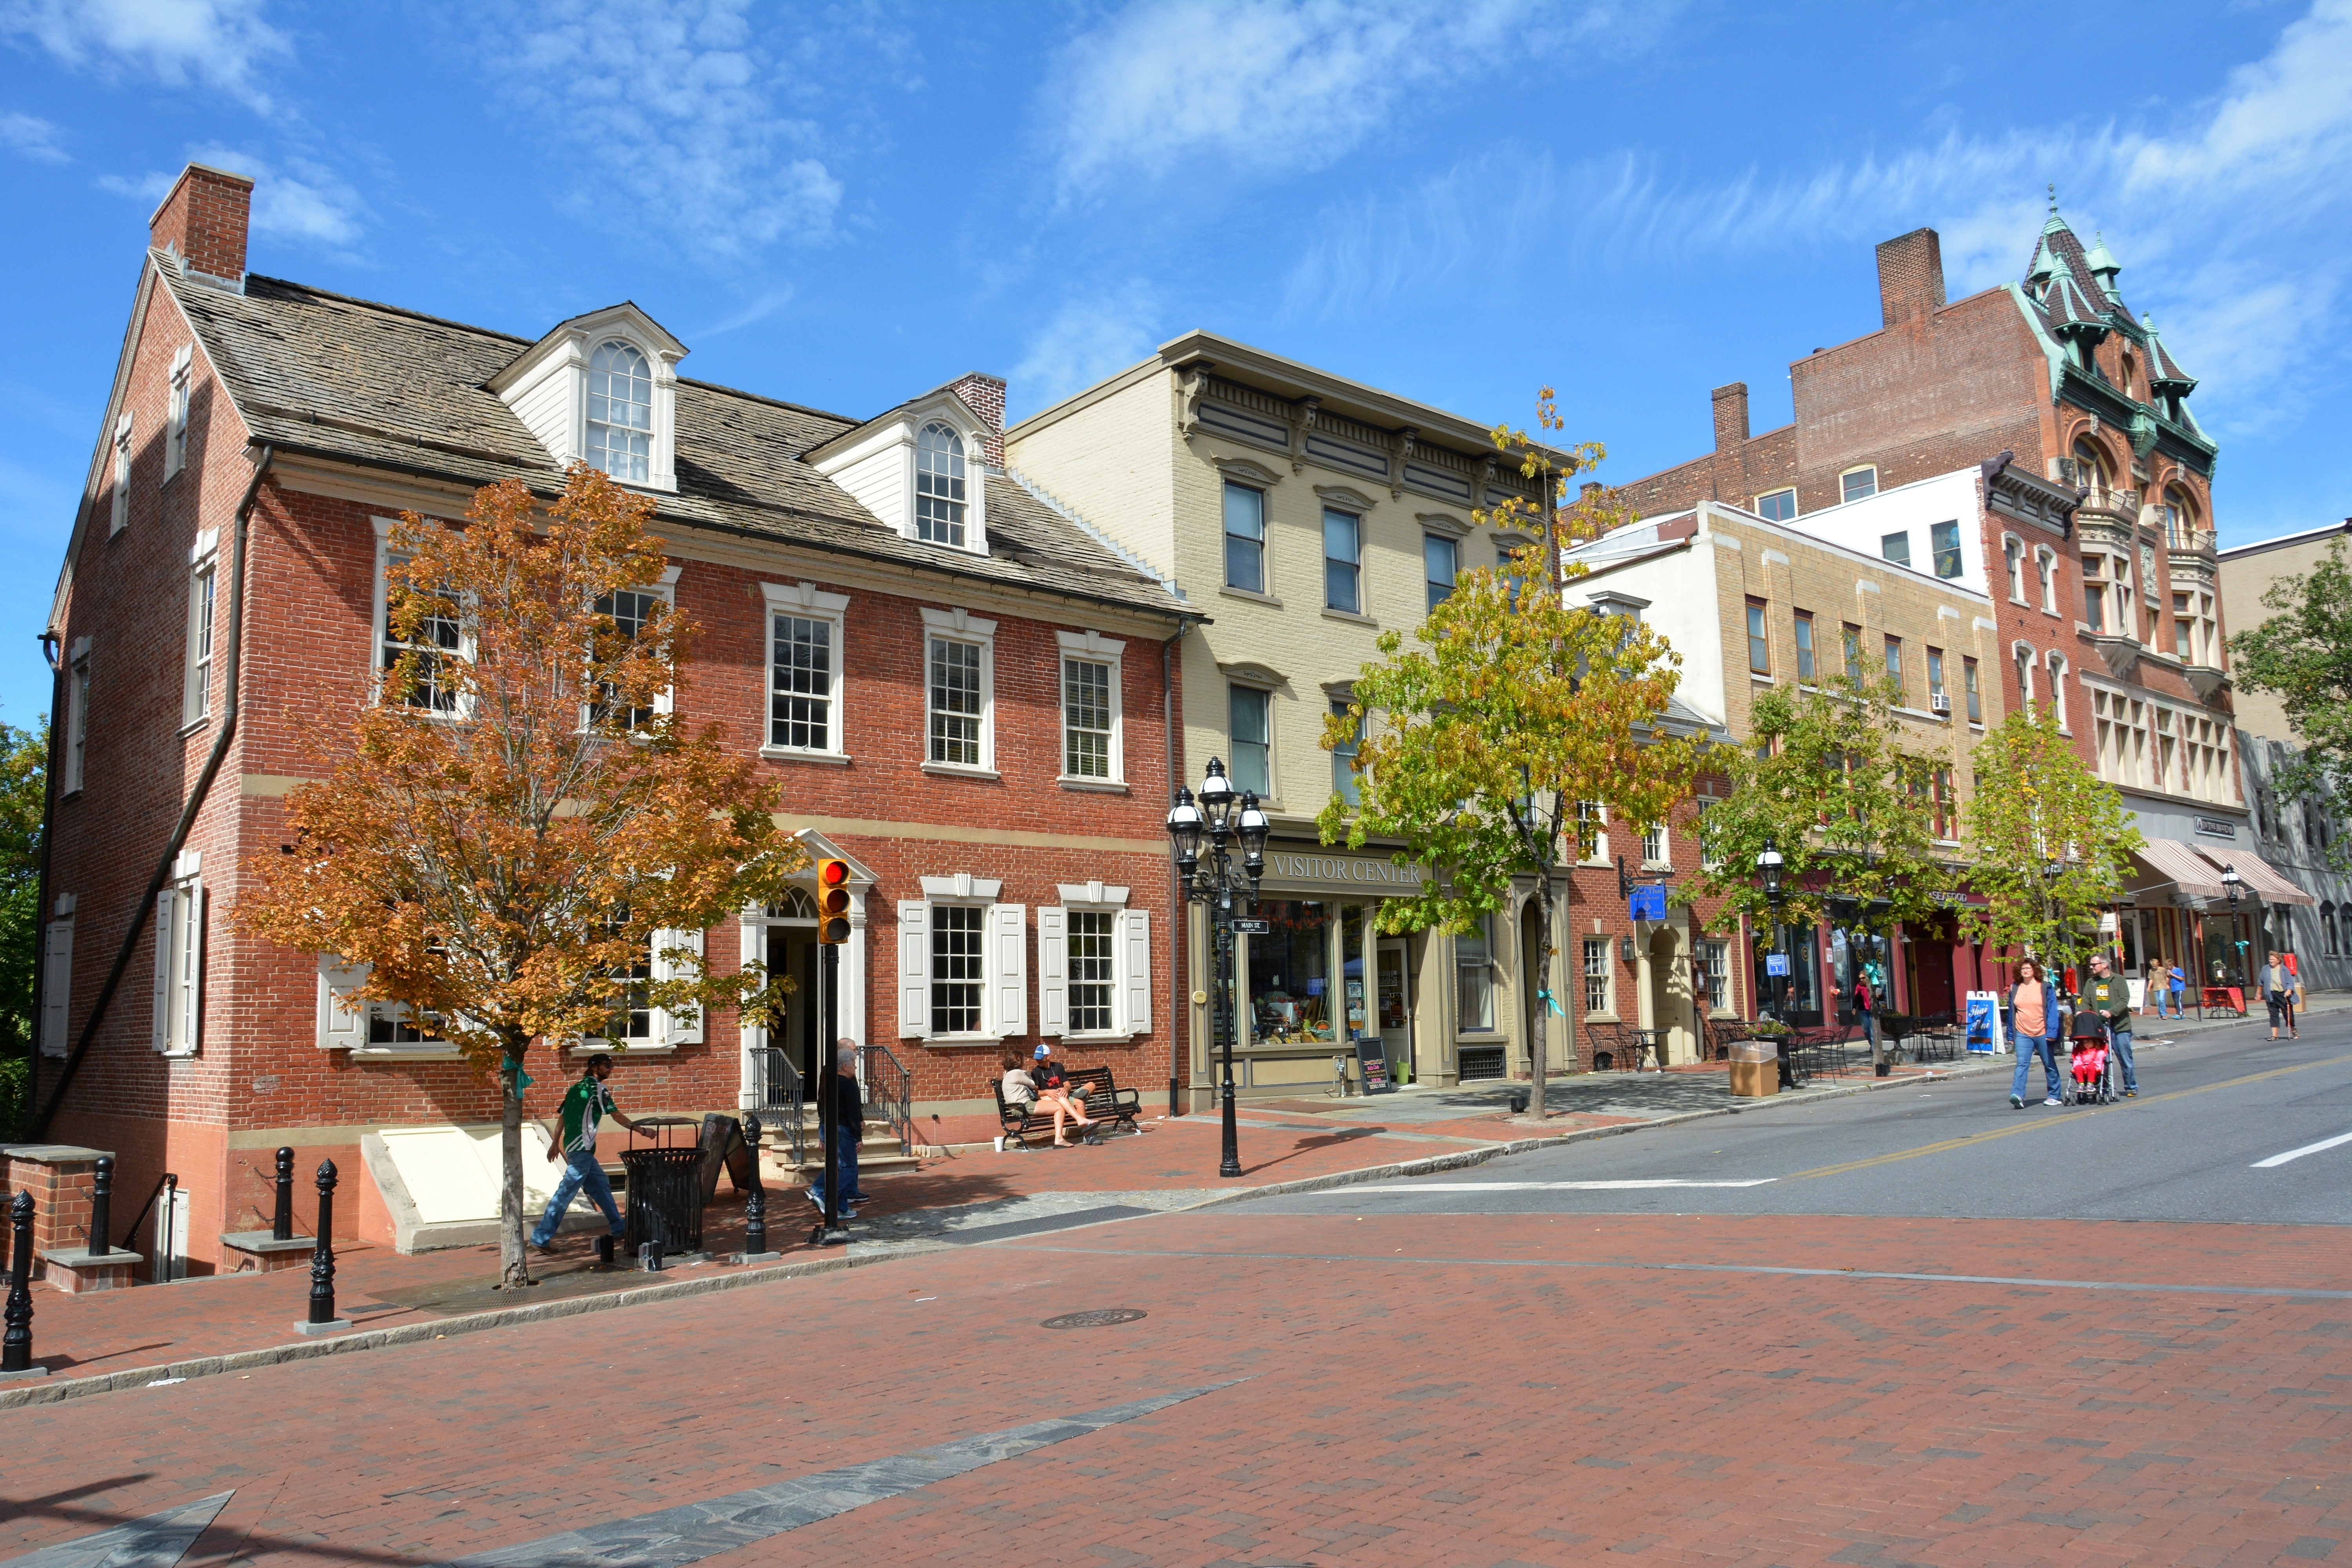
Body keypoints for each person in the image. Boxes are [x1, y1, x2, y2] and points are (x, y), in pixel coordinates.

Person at [531, 1053, 638, 1254]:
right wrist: (640, 1130)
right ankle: (541, 1237)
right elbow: (616, 1115)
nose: (611, 1069)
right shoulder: (597, 1089)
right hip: (583, 1148)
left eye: (611, 1065)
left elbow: (562, 1118)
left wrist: (555, 1144)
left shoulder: (575, 1089)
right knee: (566, 1193)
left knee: (601, 1185)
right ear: (595, 1067)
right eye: (607, 1065)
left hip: (574, 1147)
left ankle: (619, 1227)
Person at [808, 1039, 867, 1219]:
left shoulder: (831, 1080)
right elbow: (852, 1112)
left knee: (839, 1165)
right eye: (853, 1064)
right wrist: (858, 1136)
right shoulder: (847, 1083)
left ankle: (840, 1207)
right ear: (844, 1066)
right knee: (847, 1166)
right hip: (842, 1128)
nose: (856, 1068)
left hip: (829, 1125)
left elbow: (824, 1103)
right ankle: (824, 1195)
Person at [2007, 958, 2063, 1109]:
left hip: (2043, 1032)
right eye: (2023, 969)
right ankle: (2017, 1095)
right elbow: (2012, 1013)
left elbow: (2052, 1012)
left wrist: (2052, 1032)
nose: (2025, 971)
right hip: (2023, 1033)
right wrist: (2011, 1035)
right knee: (2022, 1064)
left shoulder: (2045, 988)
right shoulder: (2015, 988)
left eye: (2028, 968)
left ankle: (2054, 1095)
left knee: (2049, 1064)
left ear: (2034, 971)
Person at [2079, 953, 2136, 1097]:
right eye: (2091, 965)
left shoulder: (2119, 980)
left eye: (2094, 965)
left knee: (2125, 1058)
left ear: (2104, 965)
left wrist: (2111, 1012)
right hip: (2101, 1028)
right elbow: (2086, 1000)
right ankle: (2103, 1087)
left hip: (2120, 1026)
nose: (2091, 967)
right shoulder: (2091, 983)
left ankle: (2131, 1087)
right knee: (2102, 1059)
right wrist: (2082, 1013)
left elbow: (2124, 1000)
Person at [2263, 953, 2303, 1041]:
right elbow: (2260, 981)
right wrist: (2258, 994)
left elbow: (2290, 983)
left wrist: (2289, 990)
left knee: (2287, 1014)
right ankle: (2274, 1036)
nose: (2271, 961)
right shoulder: (2266, 969)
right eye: (2270, 959)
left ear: (2278, 960)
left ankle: (2294, 1030)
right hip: (2271, 995)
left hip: (2283, 995)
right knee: (2273, 1015)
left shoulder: (2284, 969)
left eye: (2273, 959)